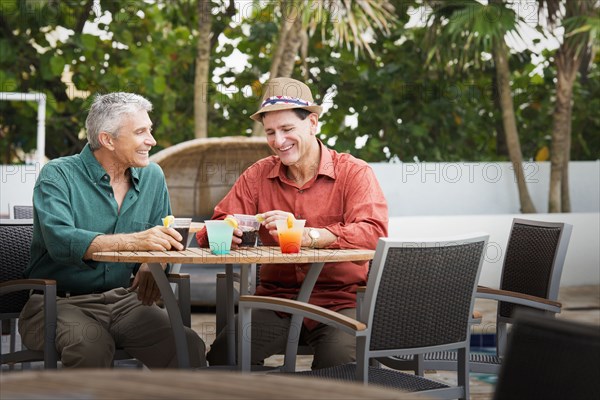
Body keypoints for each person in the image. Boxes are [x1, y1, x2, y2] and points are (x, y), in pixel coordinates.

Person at [199, 77, 388, 369]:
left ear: (312, 123)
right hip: (278, 302)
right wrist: (227, 231)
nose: (278, 141)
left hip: (341, 302)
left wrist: (311, 235)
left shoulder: (354, 173)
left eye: (287, 129)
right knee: (226, 355)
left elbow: (373, 232)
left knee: (338, 366)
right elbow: (211, 228)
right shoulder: (257, 176)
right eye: (270, 132)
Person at [19, 92, 206, 368]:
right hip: (57, 304)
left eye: (149, 130)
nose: (151, 141)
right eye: (141, 132)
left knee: (188, 346)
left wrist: (153, 261)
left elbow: (166, 238)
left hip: (125, 302)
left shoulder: (153, 176)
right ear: (108, 139)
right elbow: (60, 241)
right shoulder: (58, 175)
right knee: (92, 346)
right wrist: (136, 243)